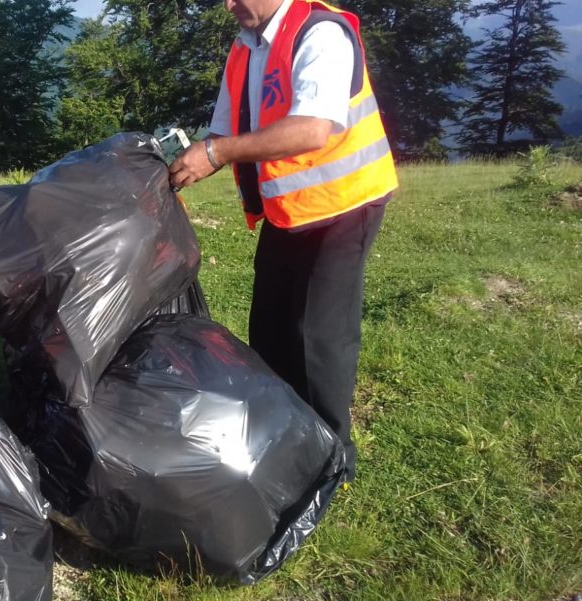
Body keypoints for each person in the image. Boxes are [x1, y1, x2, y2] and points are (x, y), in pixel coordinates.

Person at [169, 0, 398, 483]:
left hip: (345, 203)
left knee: (318, 335)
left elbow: (313, 129)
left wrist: (216, 152)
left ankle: (332, 462)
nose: (228, 5)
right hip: (290, 210)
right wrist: (171, 169)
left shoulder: (321, 33)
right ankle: (284, 435)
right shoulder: (245, 48)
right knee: (270, 326)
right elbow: (222, 132)